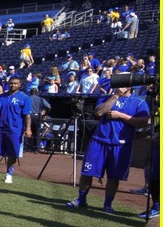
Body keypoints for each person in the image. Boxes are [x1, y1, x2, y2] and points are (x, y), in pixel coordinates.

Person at [64, 84, 150, 213]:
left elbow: (145, 121)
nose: (121, 85)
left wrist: (121, 115)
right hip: (99, 140)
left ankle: (107, 205)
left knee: (114, 176)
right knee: (88, 172)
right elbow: (99, 112)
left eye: (125, 82)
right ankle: (81, 200)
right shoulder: (106, 97)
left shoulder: (139, 102)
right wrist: (116, 95)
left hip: (121, 144)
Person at [0, 75, 32, 183]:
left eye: (15, 83)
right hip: (0, 128)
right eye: (11, 83)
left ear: (19, 85)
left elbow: (27, 115)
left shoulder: (24, 98)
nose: (12, 85)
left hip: (15, 129)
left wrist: (28, 128)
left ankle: (9, 174)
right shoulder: (1, 97)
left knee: (12, 153)